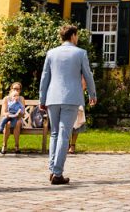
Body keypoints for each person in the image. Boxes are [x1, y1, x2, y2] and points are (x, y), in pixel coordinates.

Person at [39, 24, 97, 185]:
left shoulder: (51, 53)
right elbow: (88, 75)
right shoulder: (80, 53)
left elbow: (45, 78)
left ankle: (52, 170)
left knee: (55, 134)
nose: (77, 38)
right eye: (77, 35)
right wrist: (92, 94)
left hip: (52, 97)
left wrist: (42, 99)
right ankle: (57, 173)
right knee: (64, 134)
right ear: (72, 36)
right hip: (71, 97)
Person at [0, 82, 25, 155]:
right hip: (8, 117)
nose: (16, 90)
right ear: (11, 89)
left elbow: (23, 113)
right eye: (14, 89)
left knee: (18, 122)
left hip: (18, 118)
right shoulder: (6, 98)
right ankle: (4, 145)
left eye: (18, 89)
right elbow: (3, 112)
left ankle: (16, 146)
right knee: (8, 123)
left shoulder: (21, 98)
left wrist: (19, 113)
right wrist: (7, 114)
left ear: (20, 90)